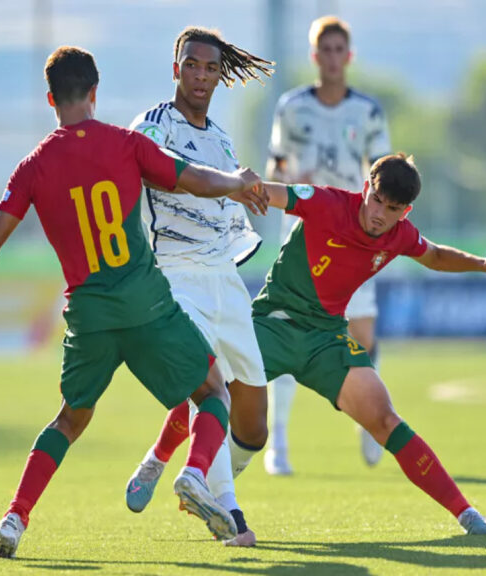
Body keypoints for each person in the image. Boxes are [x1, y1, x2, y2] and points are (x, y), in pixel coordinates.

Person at [0, 46, 270, 558]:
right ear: (94, 92)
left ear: (50, 99)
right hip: (147, 303)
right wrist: (237, 183)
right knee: (214, 393)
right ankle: (194, 475)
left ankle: (14, 519)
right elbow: (192, 178)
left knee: (69, 419)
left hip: (89, 315)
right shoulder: (126, 144)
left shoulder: (33, 166)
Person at [256, 153, 486, 535]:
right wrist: (216, 182)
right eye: (376, 199)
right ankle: (160, 461)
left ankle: (466, 514)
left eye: (392, 208)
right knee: (213, 390)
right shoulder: (327, 202)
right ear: (366, 189)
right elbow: (269, 192)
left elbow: (436, 256)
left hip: (325, 337)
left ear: (405, 212)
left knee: (385, 418)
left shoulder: (401, 235)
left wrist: (482, 264)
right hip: (272, 323)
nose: (379, 213)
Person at [123, 26, 274, 547]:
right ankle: (223, 507)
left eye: (211, 68)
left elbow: (227, 201)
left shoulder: (222, 140)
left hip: (225, 281)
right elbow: (172, 180)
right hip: (176, 277)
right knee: (212, 393)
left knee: (254, 425)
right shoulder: (151, 126)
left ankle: (162, 457)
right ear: (176, 69)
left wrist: (246, 194)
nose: (202, 76)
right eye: (192, 65)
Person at [265, 15, 393, 473]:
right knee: (285, 335)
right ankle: (277, 441)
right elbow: (275, 164)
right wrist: (286, 180)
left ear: (349, 56)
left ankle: (369, 418)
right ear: (315, 57)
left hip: (354, 237)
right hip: (304, 233)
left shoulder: (368, 111)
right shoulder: (292, 106)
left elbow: (384, 173)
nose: (334, 58)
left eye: (341, 50)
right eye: (326, 50)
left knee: (362, 335)